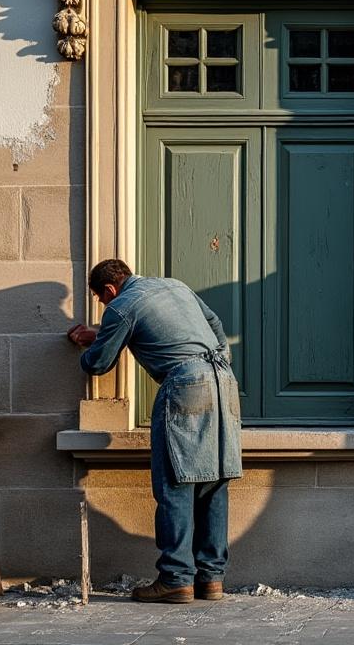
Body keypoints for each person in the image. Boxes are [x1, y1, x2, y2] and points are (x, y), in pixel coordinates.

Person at [66, 259, 242, 604]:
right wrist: (219, 361)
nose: (106, 306)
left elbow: (99, 363)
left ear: (109, 290)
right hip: (223, 380)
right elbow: (215, 323)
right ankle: (211, 579)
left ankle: (176, 579)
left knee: (175, 483)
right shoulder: (174, 285)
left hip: (184, 384)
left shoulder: (120, 306)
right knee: (214, 480)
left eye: (103, 300)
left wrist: (87, 346)